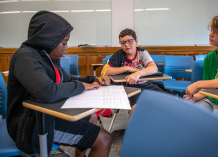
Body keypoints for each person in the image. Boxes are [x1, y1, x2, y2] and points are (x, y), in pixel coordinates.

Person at [6, 10, 112, 157]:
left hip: (45, 115)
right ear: (48, 40)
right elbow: (47, 92)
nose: (67, 46)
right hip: (30, 127)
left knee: (92, 117)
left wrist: (92, 80)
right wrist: (82, 87)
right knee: (104, 139)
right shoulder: (25, 57)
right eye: (64, 42)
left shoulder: (47, 57)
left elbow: (67, 79)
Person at [101, 28, 164, 116]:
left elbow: (154, 68)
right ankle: (135, 128)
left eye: (130, 41)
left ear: (136, 41)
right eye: (123, 43)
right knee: (136, 108)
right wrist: (128, 68)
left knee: (168, 101)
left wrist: (137, 74)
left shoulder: (142, 52)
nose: (126, 45)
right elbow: (105, 70)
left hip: (144, 85)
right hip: (128, 88)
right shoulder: (119, 54)